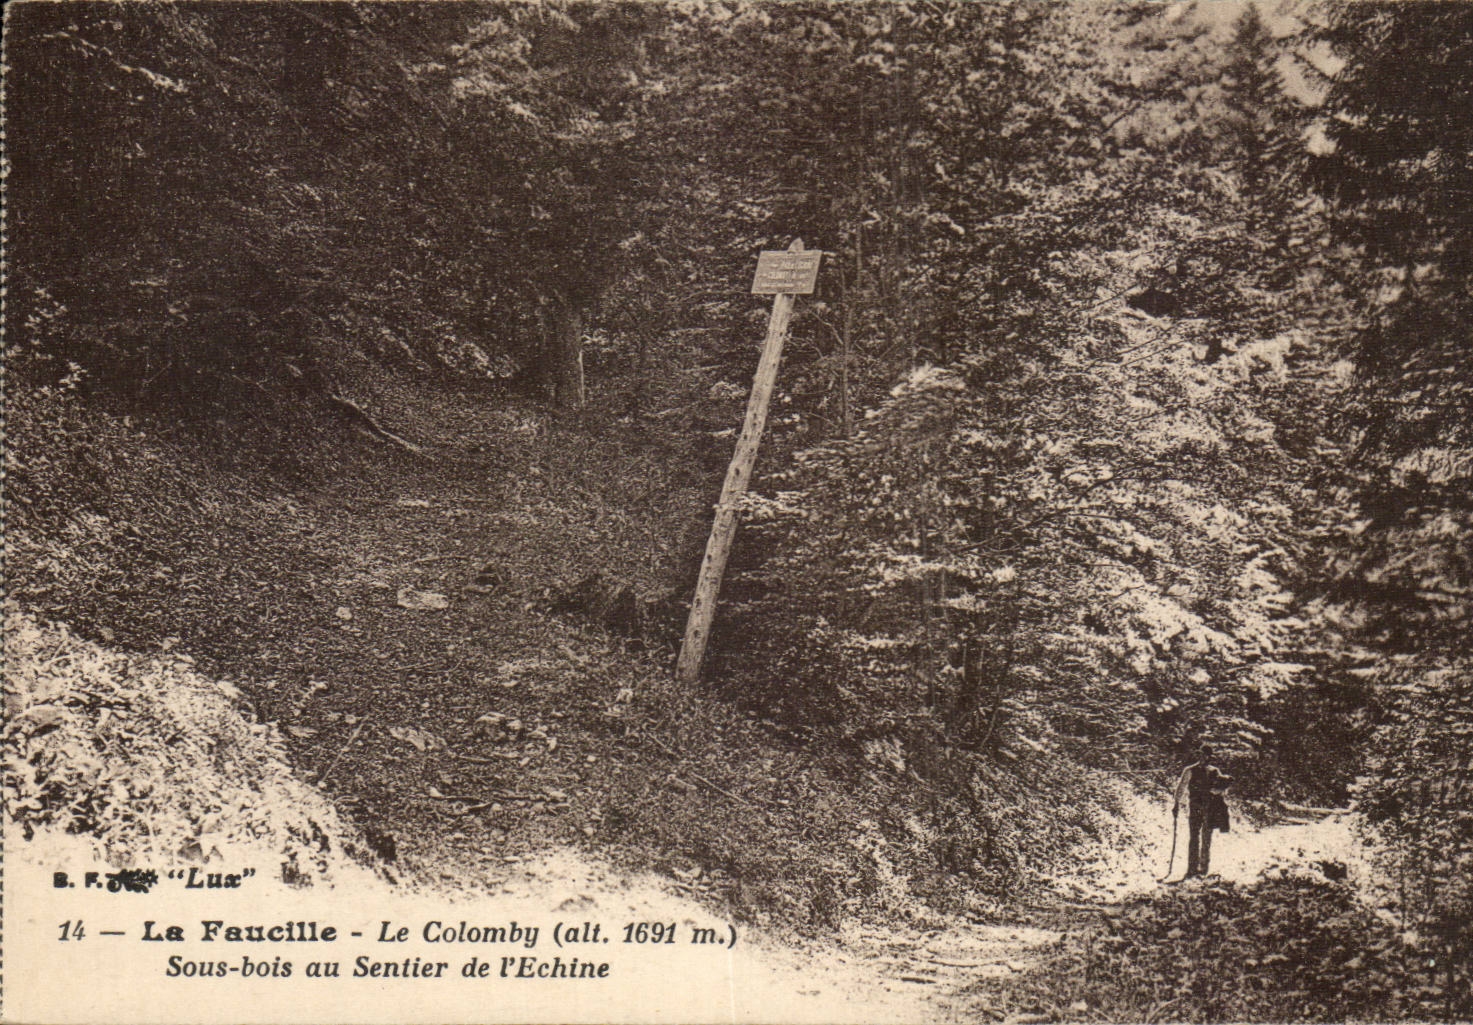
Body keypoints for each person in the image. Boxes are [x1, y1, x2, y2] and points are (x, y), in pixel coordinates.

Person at [1172, 743, 1232, 878]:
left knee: (1206, 837)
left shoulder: (1214, 771)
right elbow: (1181, 787)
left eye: (1207, 755)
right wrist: (1176, 804)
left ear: (1210, 757)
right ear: (1199, 755)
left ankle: (1203, 869)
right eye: (1201, 754)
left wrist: (1217, 790)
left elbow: (1223, 789)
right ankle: (1192, 868)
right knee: (1194, 837)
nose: (1204, 757)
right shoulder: (1190, 770)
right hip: (1195, 807)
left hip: (1209, 808)